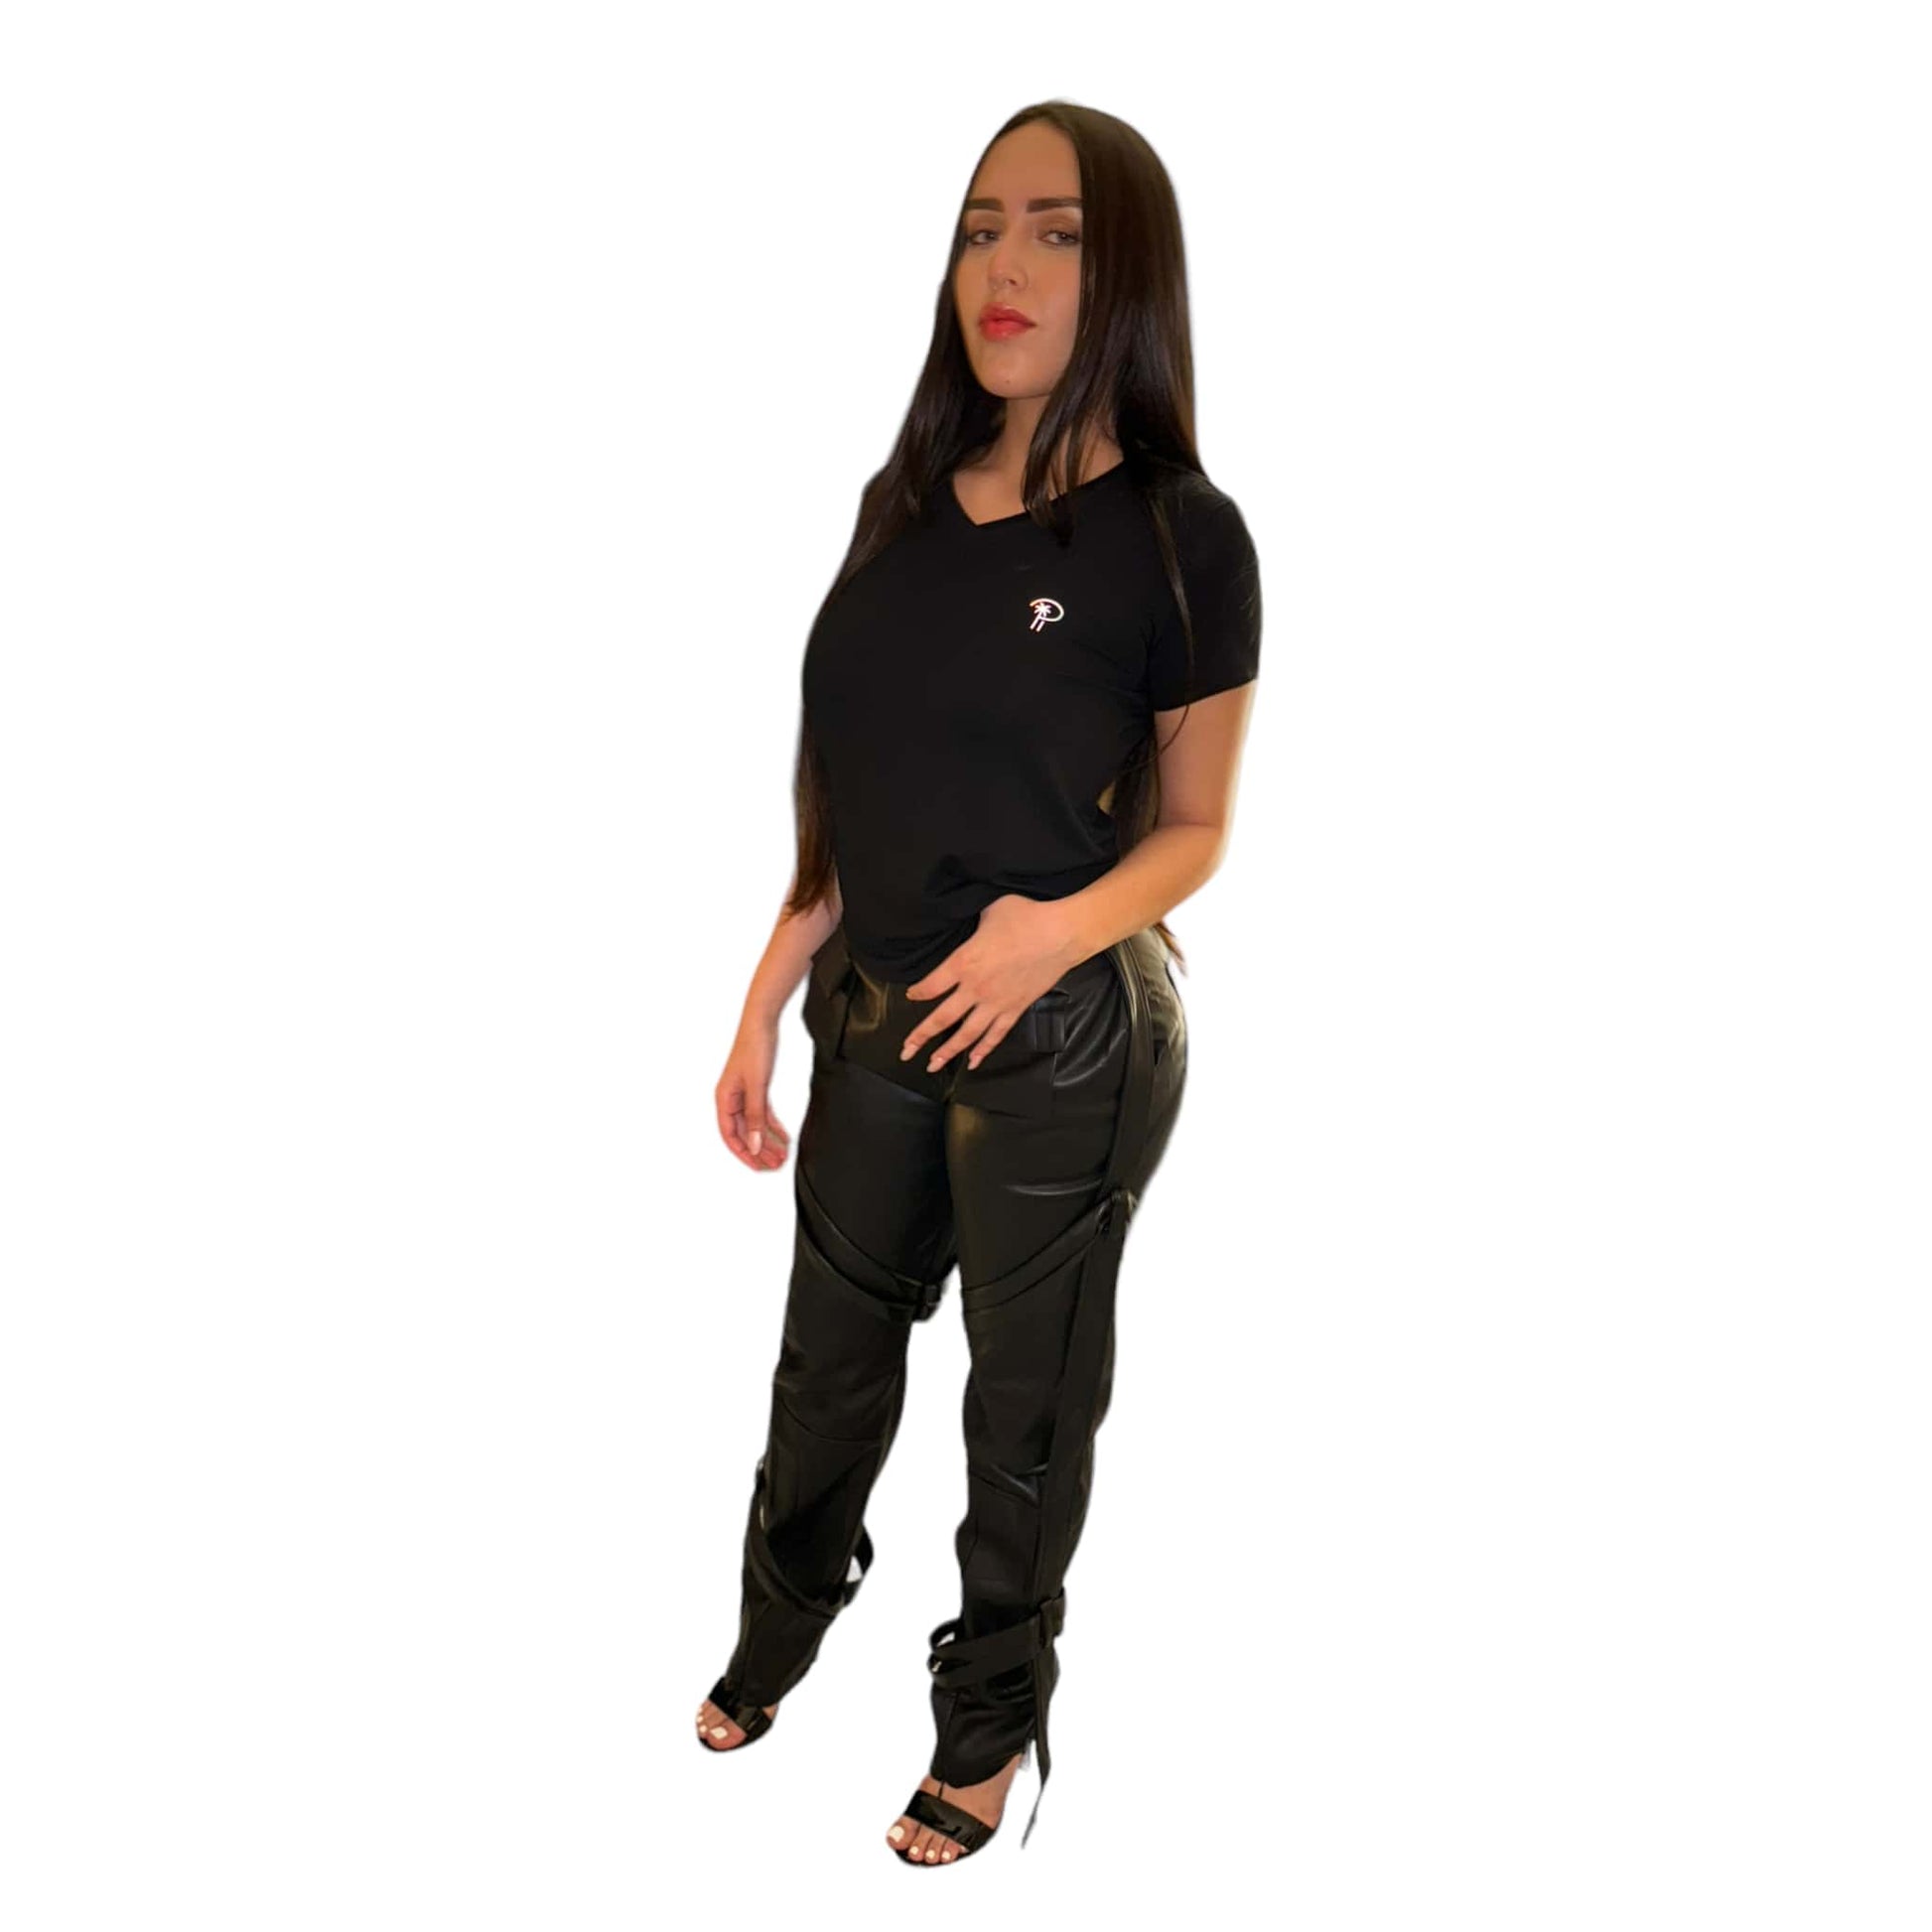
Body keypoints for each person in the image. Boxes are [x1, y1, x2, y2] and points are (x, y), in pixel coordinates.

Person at [695, 99, 1263, 1866]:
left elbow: (1194, 829)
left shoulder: (1180, 533)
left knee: (1021, 1409)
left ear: (1128, 273)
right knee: (825, 1369)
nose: (1002, 267)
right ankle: (778, 1631)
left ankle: (987, 1726)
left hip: (1063, 1033)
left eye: (1058, 232)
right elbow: (866, 774)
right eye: (978, 226)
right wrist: (771, 974)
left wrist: (1047, 930)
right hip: (873, 1011)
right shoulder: (904, 504)